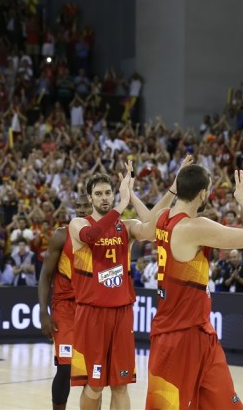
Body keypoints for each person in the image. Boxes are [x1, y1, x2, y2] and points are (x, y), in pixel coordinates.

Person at [145, 168, 243, 409]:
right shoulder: (194, 227)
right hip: (179, 335)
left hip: (198, 331)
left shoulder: (162, 217)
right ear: (202, 194)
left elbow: (145, 222)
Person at [68, 162, 171, 410]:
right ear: (90, 198)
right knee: (93, 385)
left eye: (108, 193)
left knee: (121, 384)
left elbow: (152, 226)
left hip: (122, 312)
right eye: (99, 194)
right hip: (92, 313)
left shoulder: (125, 226)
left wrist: (171, 190)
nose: (104, 198)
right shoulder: (78, 225)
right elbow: (93, 236)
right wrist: (120, 205)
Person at [38, 194, 92, 410]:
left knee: (93, 372)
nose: (80, 209)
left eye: (85, 205)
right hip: (65, 308)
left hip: (92, 309)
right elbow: (45, 276)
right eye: (77, 206)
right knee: (66, 368)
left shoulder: (106, 236)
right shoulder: (61, 235)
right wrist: (43, 312)